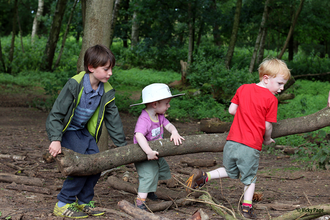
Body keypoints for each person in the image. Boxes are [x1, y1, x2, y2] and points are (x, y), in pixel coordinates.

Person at [185, 58, 291, 219]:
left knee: (230, 171)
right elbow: (268, 126)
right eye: (279, 83)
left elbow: (232, 110)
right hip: (250, 146)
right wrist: (267, 139)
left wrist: (247, 112)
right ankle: (247, 209)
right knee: (250, 179)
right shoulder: (271, 99)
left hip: (232, 142)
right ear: (266, 78)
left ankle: (203, 176)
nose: (282, 88)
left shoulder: (243, 88)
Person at [46, 44, 127, 218]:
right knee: (81, 167)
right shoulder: (75, 84)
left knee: (96, 166)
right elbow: (56, 114)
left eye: (111, 68)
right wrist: (55, 139)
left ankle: (83, 202)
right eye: (106, 69)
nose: (110, 73)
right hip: (68, 131)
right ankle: (63, 203)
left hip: (84, 132)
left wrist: (122, 146)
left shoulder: (106, 90)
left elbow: (113, 120)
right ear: (91, 67)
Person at [130, 83, 185, 210]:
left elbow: (169, 125)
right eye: (166, 103)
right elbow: (139, 135)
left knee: (161, 169)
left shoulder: (159, 116)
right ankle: (139, 204)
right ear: (155, 104)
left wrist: (174, 132)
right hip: (143, 154)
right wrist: (148, 152)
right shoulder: (145, 119)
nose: (169, 106)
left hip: (155, 151)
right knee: (148, 176)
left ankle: (149, 192)